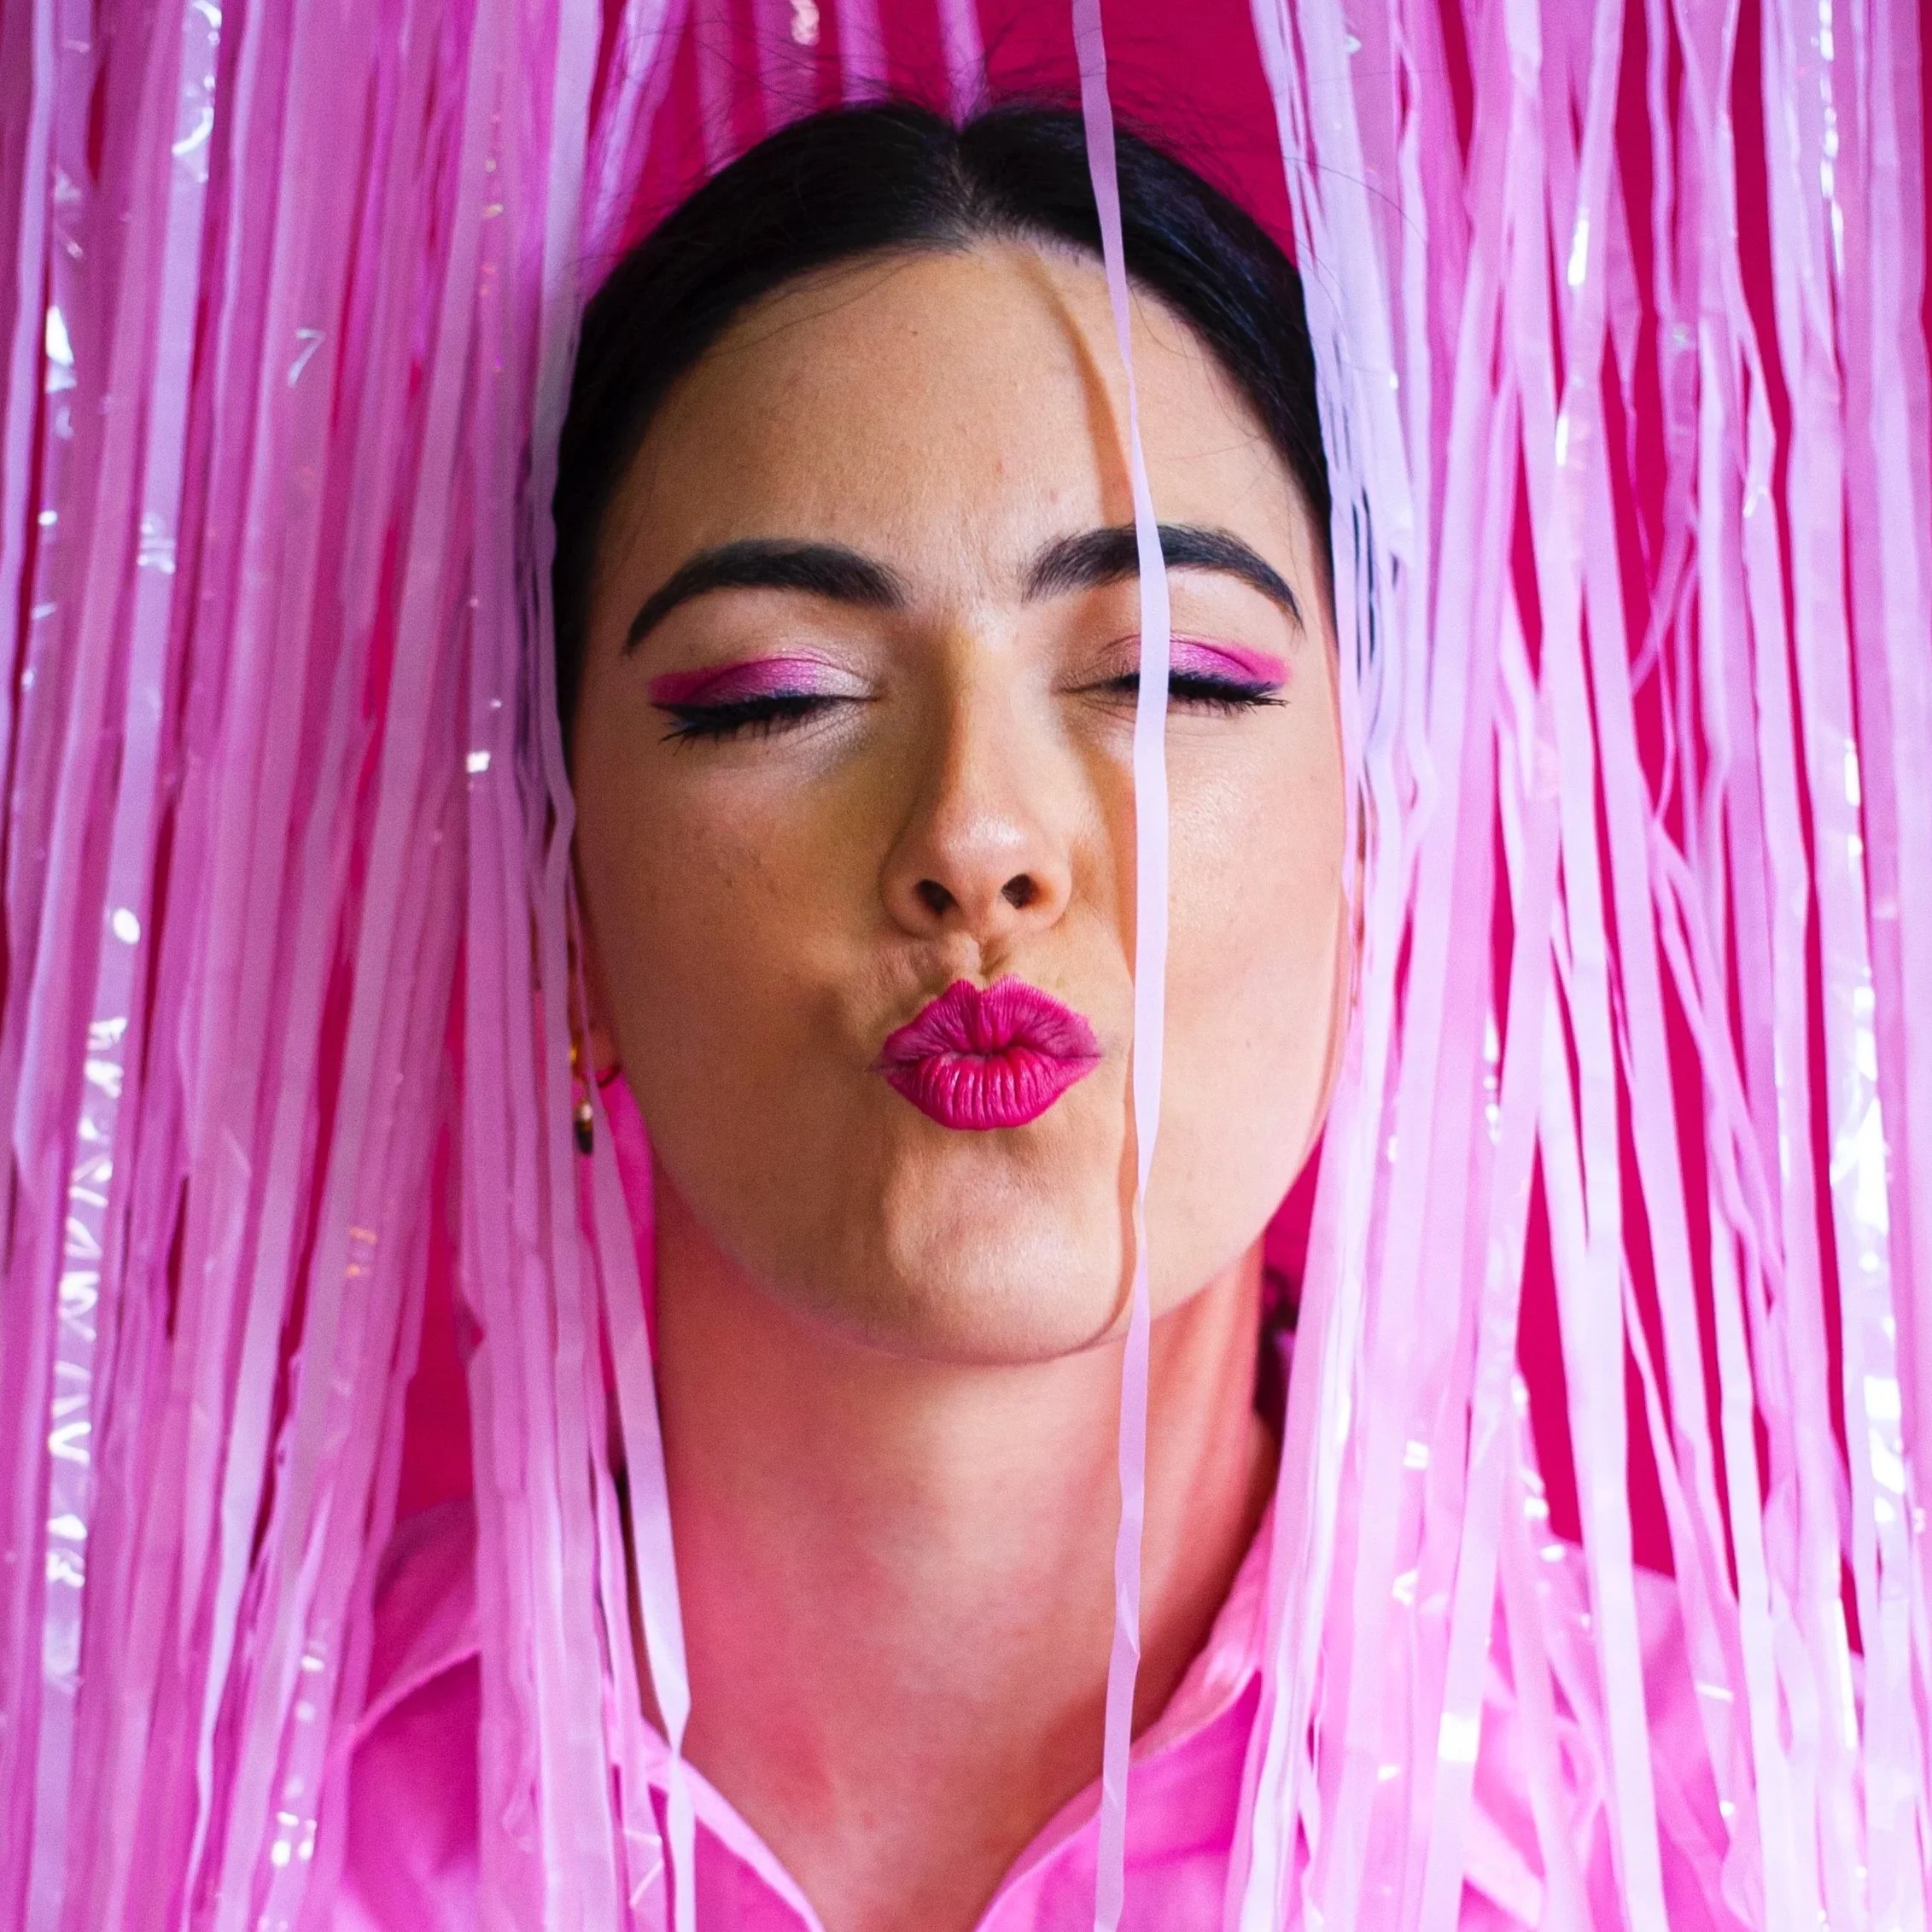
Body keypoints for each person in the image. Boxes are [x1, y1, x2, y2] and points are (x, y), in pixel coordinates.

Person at [336, 101, 1713, 1931]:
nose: (979, 839)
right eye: (773, 696)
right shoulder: (181, 1808)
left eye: (1165, 679)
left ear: (1373, 860)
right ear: (559, 910)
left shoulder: (1762, 1825)